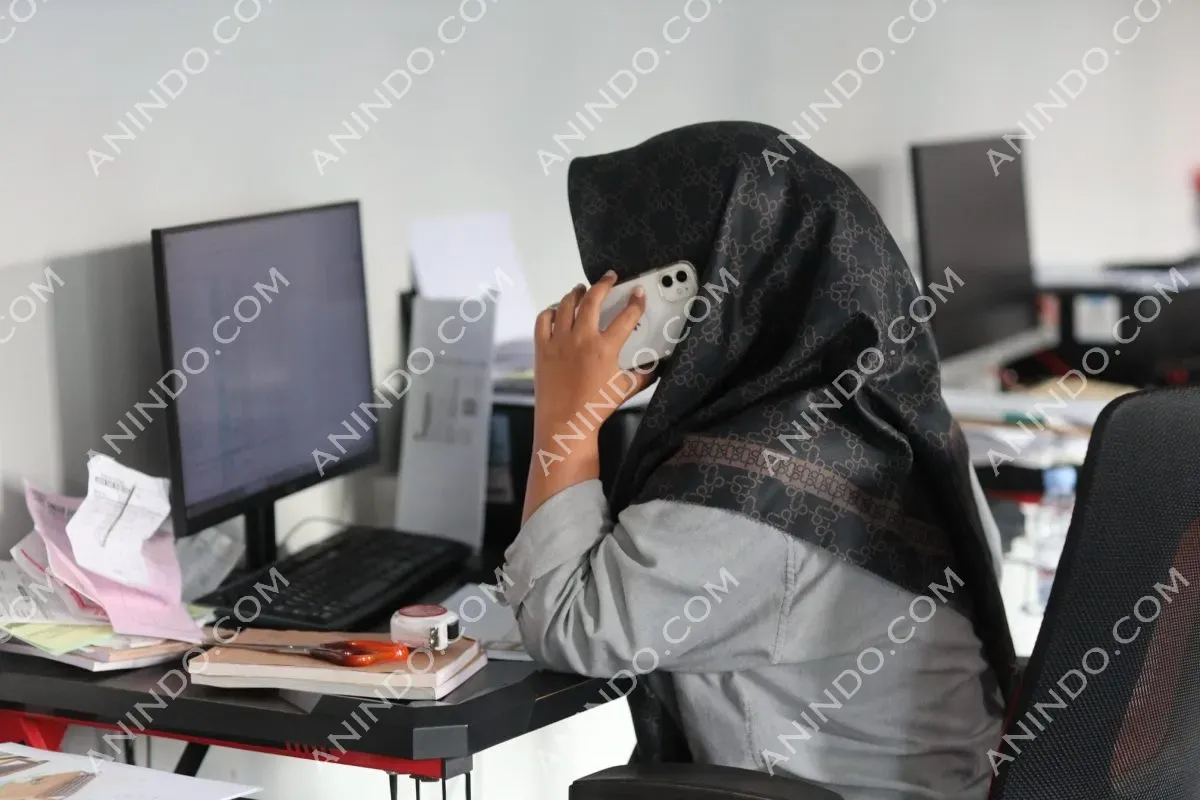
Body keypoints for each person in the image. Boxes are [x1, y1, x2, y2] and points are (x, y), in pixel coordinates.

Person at [500, 121, 1016, 800]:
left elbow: (570, 626)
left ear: (706, 287)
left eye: (626, 274)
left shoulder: (753, 488)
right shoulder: (883, 416)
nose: (608, 290)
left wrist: (567, 417)